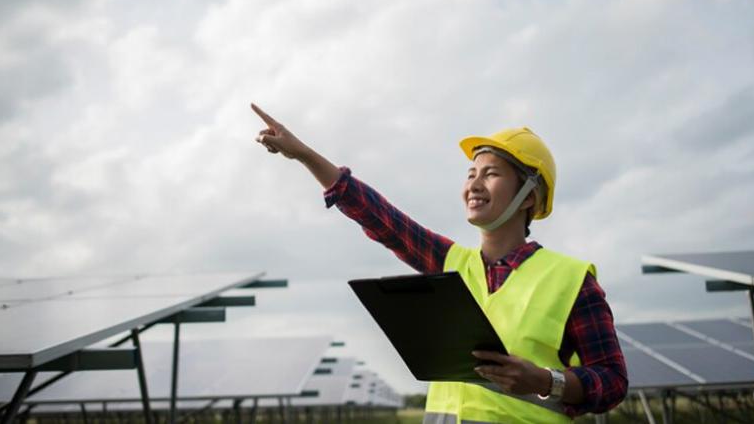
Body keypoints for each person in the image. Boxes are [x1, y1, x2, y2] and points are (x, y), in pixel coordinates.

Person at [251, 103, 627, 424]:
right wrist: (304, 154)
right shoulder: (451, 263)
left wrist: (546, 381)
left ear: (529, 196)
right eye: (471, 174)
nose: (474, 184)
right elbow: (381, 218)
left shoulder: (571, 280)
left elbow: (612, 381)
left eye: (491, 174)